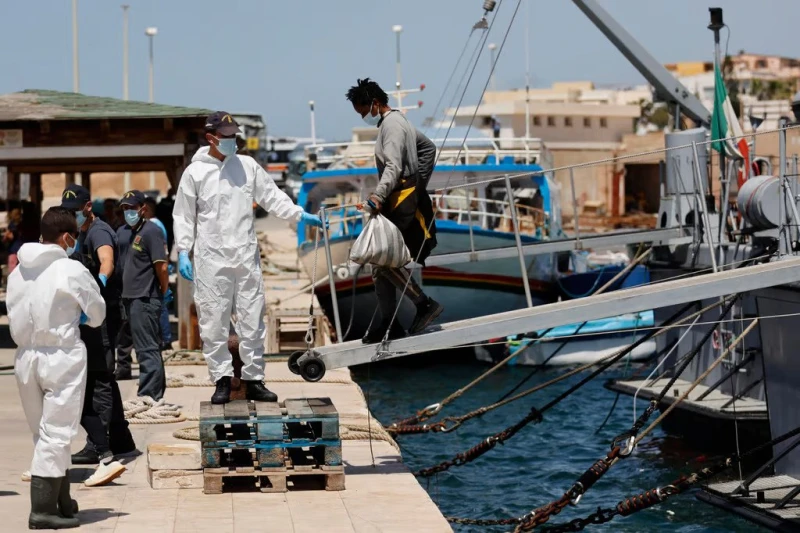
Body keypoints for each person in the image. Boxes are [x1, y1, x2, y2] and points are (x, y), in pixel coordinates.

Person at [173, 111, 324, 405]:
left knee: (253, 319)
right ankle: (221, 380)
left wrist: (299, 215)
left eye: (234, 135)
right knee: (213, 322)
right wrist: (183, 251)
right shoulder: (195, 174)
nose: (233, 140)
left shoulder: (248, 166)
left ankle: (254, 379)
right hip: (211, 258)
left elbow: (272, 196)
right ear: (211, 138)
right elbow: (183, 214)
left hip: (245, 255)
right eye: (227, 135)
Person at [9, 206, 106, 530]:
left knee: (44, 433)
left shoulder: (17, 272)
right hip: (61, 356)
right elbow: (97, 314)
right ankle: (43, 509)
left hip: (25, 358)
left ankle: (63, 501)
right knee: (58, 433)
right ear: (66, 237)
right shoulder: (71, 270)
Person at [345, 78, 443, 344]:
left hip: (399, 198)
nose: (364, 116)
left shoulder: (392, 126)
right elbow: (428, 148)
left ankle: (424, 304)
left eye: (364, 111)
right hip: (402, 194)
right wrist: (418, 182)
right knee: (380, 264)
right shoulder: (399, 122)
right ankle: (390, 324)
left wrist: (380, 195)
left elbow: (393, 167)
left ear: (375, 104)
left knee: (382, 257)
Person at [60, 185, 133, 485]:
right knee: (103, 374)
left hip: (102, 314)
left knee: (99, 377)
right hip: (94, 313)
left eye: (76, 210)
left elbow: (107, 262)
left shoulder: (99, 232)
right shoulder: (77, 234)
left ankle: (98, 445)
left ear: (88, 207)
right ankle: (121, 438)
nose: (73, 215)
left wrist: (98, 286)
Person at [119, 190, 172, 401]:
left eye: (131, 208)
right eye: (124, 208)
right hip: (129, 298)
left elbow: (162, 267)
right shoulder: (122, 232)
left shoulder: (151, 231)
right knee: (143, 348)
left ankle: (149, 394)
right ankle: (155, 392)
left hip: (146, 297)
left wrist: (164, 291)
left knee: (146, 349)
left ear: (142, 209)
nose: (128, 212)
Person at [143, 196, 173, 352]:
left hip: (156, 269)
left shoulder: (154, 226)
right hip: (157, 268)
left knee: (160, 306)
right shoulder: (156, 225)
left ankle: (165, 339)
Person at [5, 207, 23, 273]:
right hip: (20, 249)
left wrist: (6, 235)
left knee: (12, 269)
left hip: (13, 250)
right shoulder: (22, 223)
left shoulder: (12, 225)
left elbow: (11, 236)